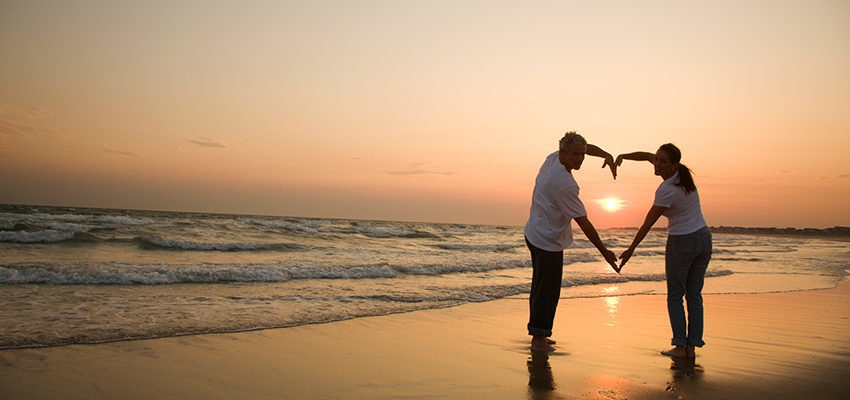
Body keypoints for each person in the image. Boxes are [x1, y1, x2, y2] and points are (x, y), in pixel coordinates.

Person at [524, 131, 619, 352]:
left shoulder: (552, 159)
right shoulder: (564, 185)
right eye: (576, 155)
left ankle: (540, 332)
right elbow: (583, 222)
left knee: (541, 287)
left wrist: (604, 154)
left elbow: (584, 147)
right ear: (563, 153)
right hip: (547, 239)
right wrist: (604, 251)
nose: (581, 159)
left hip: (535, 232)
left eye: (582, 155)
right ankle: (538, 338)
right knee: (547, 291)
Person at [616, 143, 712, 358]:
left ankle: (680, 346)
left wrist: (631, 248)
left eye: (662, 161)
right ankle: (692, 346)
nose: (656, 163)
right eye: (657, 159)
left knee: (676, 295)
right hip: (703, 238)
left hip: (683, 242)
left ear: (673, 164)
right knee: (694, 295)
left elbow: (648, 222)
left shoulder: (666, 189)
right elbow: (647, 155)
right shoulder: (682, 175)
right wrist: (624, 155)